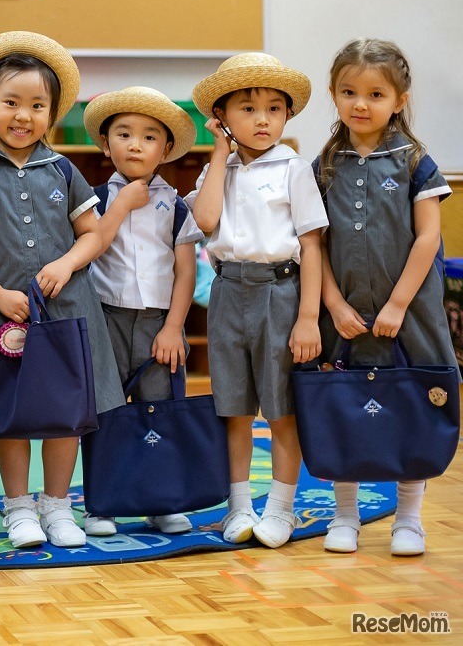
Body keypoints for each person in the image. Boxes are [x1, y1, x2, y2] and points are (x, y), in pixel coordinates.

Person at [0, 31, 125, 549]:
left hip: (68, 310)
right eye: (11, 103)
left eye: (37, 105)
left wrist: (66, 264)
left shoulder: (65, 169)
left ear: (52, 112)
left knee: (65, 413)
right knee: (13, 414)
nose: (23, 116)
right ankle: (18, 508)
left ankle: (58, 506)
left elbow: (92, 235)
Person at [314, 39, 457, 556]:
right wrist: (331, 303)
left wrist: (397, 304)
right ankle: (345, 516)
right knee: (341, 407)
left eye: (375, 94)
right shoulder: (325, 165)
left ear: (398, 99)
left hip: (410, 312)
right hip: (343, 313)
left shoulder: (416, 163)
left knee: (412, 405)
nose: (360, 104)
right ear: (333, 95)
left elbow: (427, 239)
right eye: (349, 92)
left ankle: (410, 519)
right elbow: (315, 243)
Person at [188, 53, 328, 549]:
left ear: (287, 116)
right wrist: (218, 155)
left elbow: (312, 246)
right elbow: (205, 224)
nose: (263, 119)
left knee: (282, 406)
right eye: (247, 108)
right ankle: (239, 506)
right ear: (222, 118)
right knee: (234, 408)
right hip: (228, 293)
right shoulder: (217, 170)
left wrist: (308, 317)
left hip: (281, 293)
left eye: (274, 108)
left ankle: (282, 508)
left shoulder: (293, 168)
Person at [82, 86, 204, 537]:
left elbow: (185, 273)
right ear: (105, 143)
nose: (136, 144)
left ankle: (162, 499)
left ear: (166, 148)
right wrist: (118, 207)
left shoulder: (175, 206)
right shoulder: (93, 199)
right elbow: (89, 251)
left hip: (159, 325)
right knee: (105, 413)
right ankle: (102, 504)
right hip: (105, 320)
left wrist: (174, 328)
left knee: (161, 410)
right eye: (124, 134)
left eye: (149, 137)